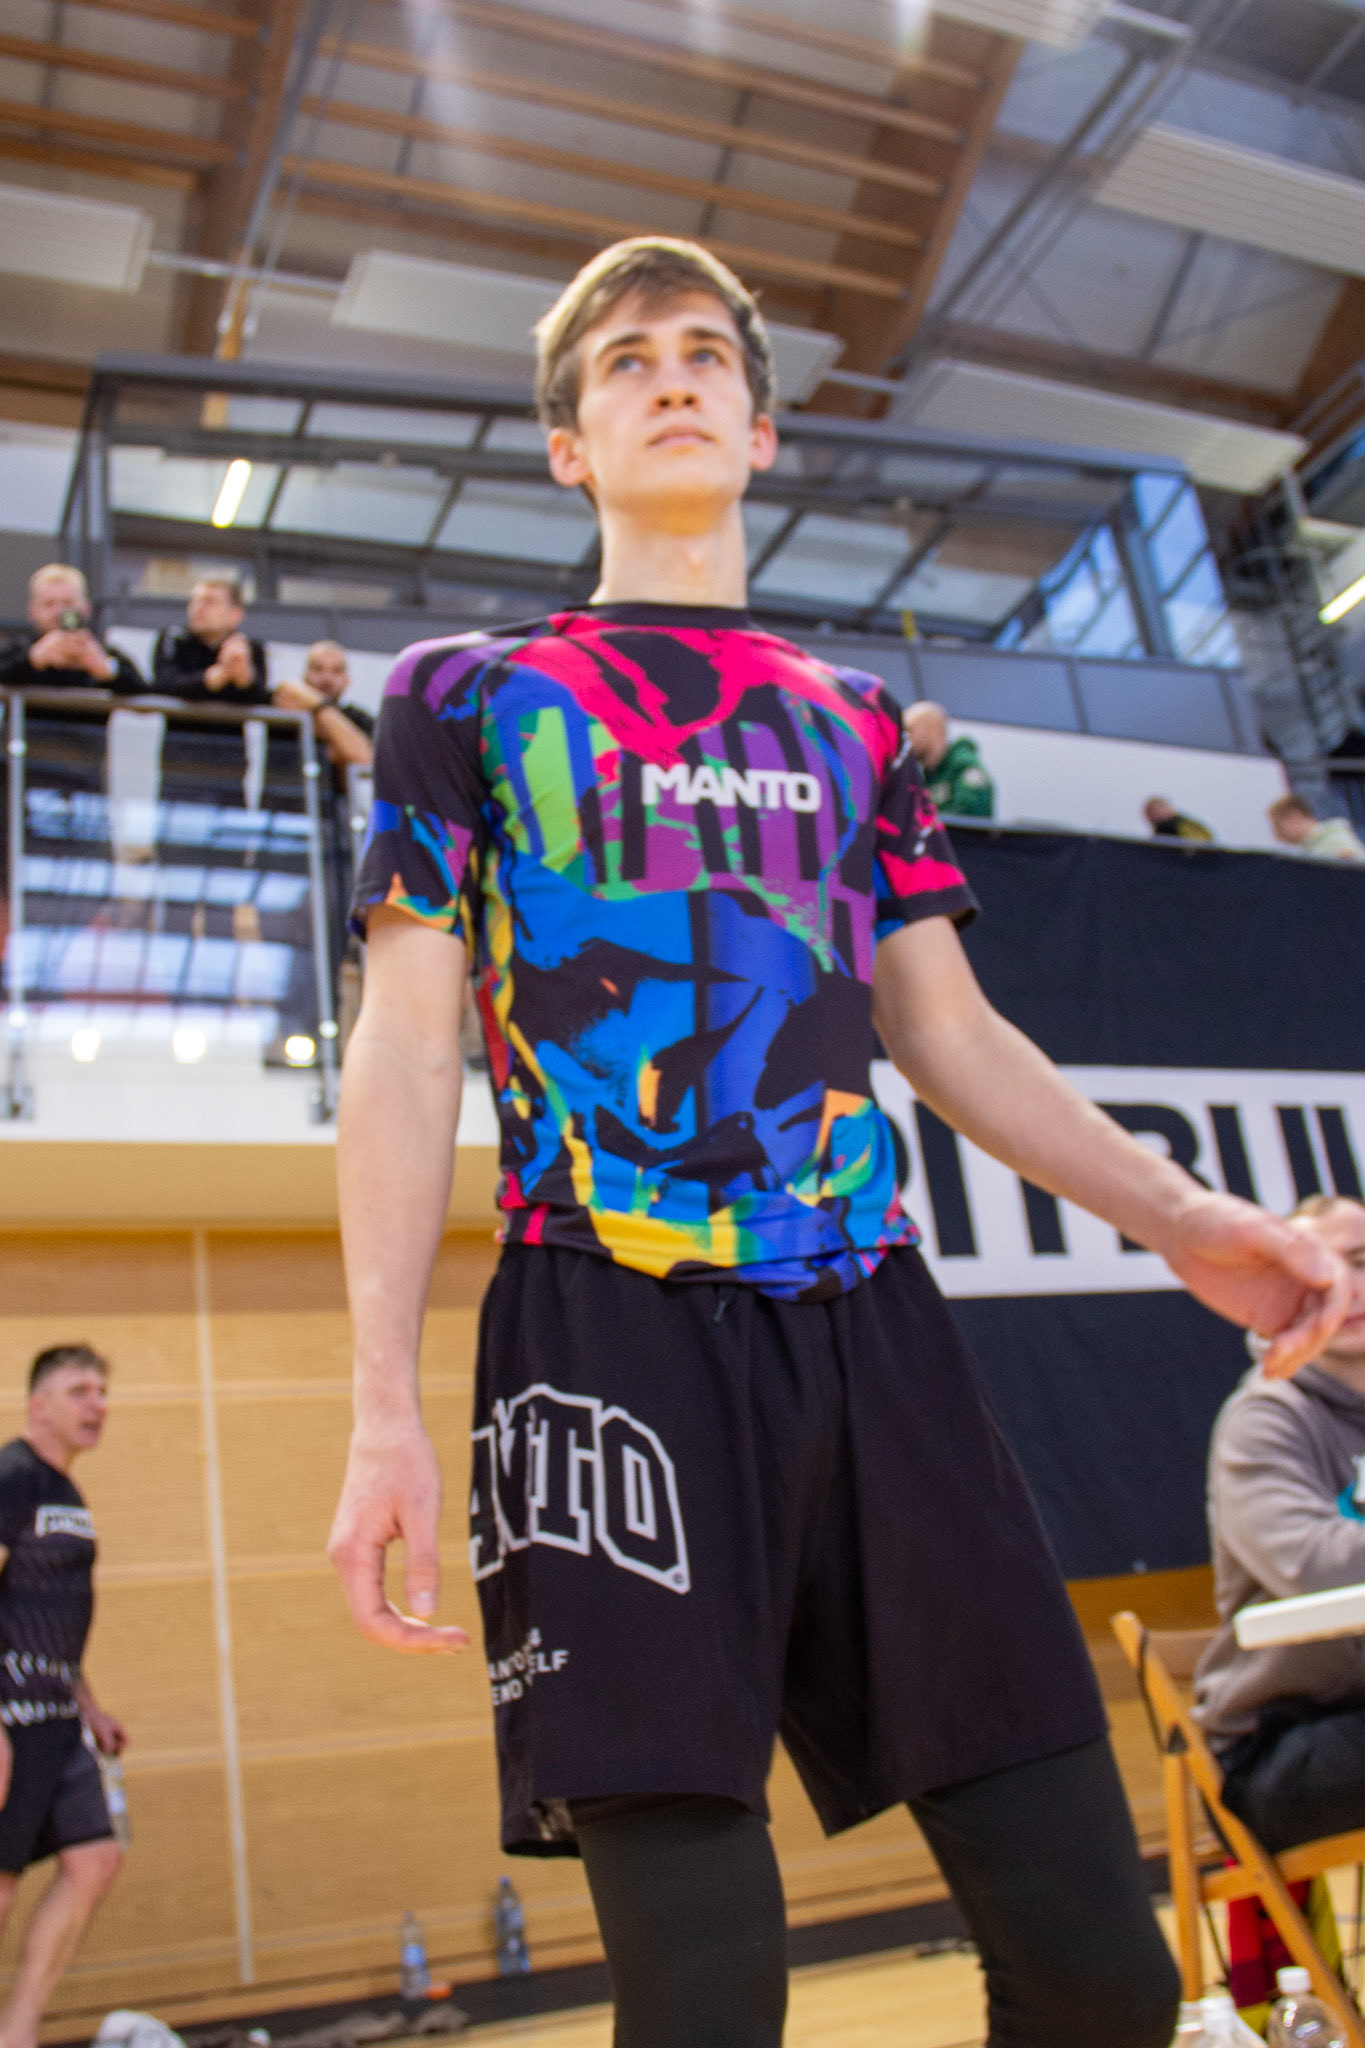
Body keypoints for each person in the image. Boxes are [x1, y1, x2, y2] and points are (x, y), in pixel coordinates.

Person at [327, 237, 1348, 2048]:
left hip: (874, 1327)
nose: (670, 375)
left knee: (1106, 1978)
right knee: (707, 1999)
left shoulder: (856, 722)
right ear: (567, 443)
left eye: (704, 353)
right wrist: (380, 1405)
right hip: (604, 1325)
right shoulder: (463, 695)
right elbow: (407, 1050)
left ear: (762, 429)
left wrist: (1185, 1213)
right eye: (625, 359)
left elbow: (947, 1033)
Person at [1196, 1194, 1365, 1852]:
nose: (1345, 1286)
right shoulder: (1264, 1418)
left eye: (1360, 1261)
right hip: (1279, 1744)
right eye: (1317, 1270)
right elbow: (1320, 1569)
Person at [0, 1344, 125, 2048]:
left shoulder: (67, 1493)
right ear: (37, 1405)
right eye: (80, 1391)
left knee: (95, 1860)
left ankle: (15, 2035)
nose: (97, 1405)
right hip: (10, 1713)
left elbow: (55, 1613)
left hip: (58, 1713)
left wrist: (90, 1703)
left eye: (102, 1392)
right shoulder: (12, 1476)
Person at [0, 566, 144, 696]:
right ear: (32, 611)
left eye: (68, 603)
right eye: (49, 604)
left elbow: (144, 690)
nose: (59, 612)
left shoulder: (101, 652)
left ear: (86, 608)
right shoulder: (18, 650)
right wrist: (32, 660)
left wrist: (106, 669)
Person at [151, 577, 269, 705]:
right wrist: (215, 677)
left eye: (210, 602)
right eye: (194, 601)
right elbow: (163, 685)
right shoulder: (174, 638)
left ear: (235, 614)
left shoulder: (249, 648)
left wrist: (245, 681)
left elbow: (260, 698)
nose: (198, 608)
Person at [273, 641, 374, 771]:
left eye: (336, 671)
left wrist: (319, 706)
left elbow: (364, 758)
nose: (326, 678)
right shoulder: (283, 711)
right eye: (318, 669)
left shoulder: (359, 719)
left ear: (347, 680)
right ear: (305, 675)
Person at [902, 700, 994, 818]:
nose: (905, 739)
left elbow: (972, 814)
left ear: (932, 728)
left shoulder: (962, 765)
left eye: (910, 730)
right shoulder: (922, 777)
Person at [1268, 792, 1365, 864]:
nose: (1277, 835)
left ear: (1294, 816)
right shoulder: (1313, 848)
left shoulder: (1335, 840)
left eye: (1278, 827)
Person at [1144, 795, 1213, 843]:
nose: (1155, 815)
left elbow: (1203, 842)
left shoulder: (1177, 824)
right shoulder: (1186, 823)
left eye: (1155, 810)